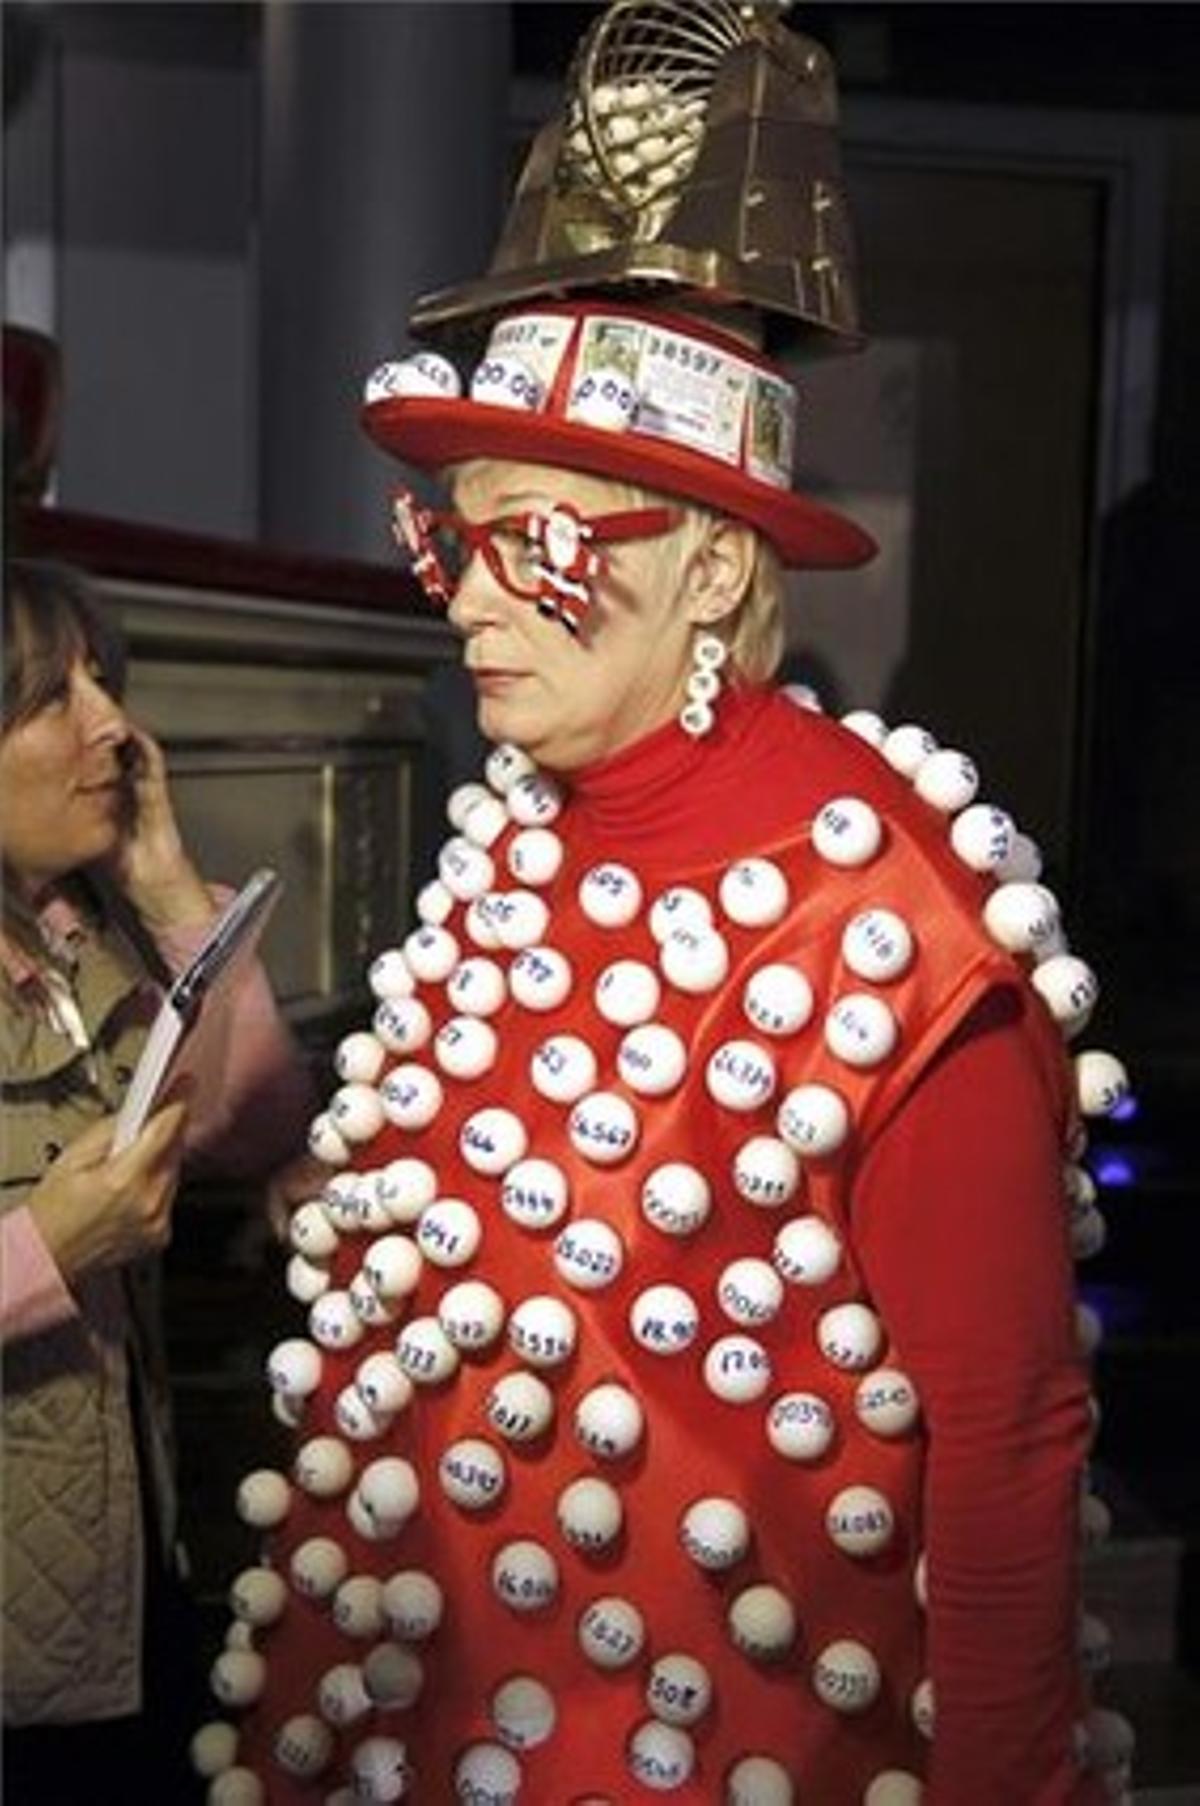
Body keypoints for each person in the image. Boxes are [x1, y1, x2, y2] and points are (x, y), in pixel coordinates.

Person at [197, 6, 1133, 1802]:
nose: (472, 600)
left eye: (538, 540)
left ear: (712, 565)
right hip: (438, 1708)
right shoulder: (519, 829)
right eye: (455, 537)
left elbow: (1007, 1448)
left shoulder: (899, 939)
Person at [0, 557, 312, 1804]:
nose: (112, 727)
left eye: (104, 683)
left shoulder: (75, 937)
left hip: (117, 1598)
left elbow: (254, 1124)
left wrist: (175, 890)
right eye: (48, 697)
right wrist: (49, 1251)